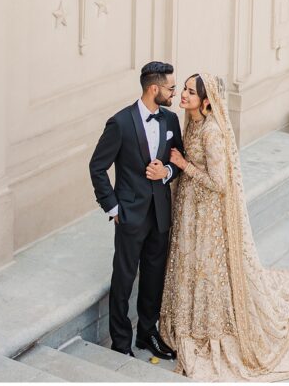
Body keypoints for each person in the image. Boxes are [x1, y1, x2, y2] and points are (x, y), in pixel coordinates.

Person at [159, 72, 289, 381]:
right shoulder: (192, 122)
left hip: (207, 215)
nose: (183, 95)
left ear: (206, 102)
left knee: (207, 270)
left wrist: (184, 166)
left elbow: (220, 183)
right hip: (190, 210)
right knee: (189, 264)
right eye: (183, 89)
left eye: (190, 93)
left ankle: (211, 329)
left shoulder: (211, 132)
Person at [89, 61, 184, 359]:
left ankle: (147, 333)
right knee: (124, 278)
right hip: (130, 215)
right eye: (170, 87)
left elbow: (178, 159)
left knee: (154, 277)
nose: (174, 92)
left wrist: (166, 172)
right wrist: (113, 207)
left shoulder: (170, 120)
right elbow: (97, 167)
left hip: (160, 214)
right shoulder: (120, 122)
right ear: (154, 88)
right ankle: (120, 344)